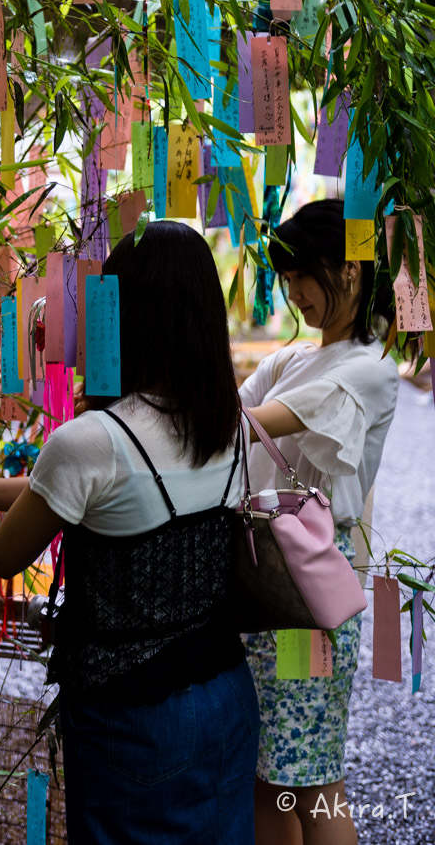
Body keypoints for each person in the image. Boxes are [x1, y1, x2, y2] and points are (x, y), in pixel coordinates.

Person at [0, 221, 260, 844]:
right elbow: (105, 495)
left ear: (124, 315)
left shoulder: (91, 440)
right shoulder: (230, 423)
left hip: (135, 715)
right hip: (225, 692)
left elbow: (3, 555)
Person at [239, 199, 400, 845]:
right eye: (286, 277)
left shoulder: (372, 370)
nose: (294, 292)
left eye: (303, 274)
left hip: (310, 596)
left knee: (312, 779)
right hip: (269, 584)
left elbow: (246, 420)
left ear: (350, 273)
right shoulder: (290, 362)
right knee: (269, 776)